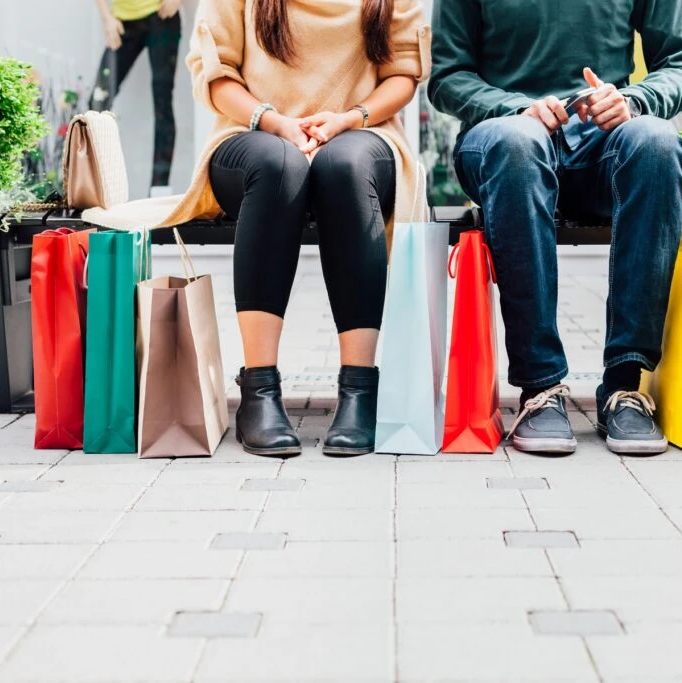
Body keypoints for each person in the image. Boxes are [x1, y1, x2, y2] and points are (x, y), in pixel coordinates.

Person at [83, 0, 431, 458]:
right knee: (279, 165)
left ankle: (360, 391)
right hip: (252, 136)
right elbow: (217, 73)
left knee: (342, 166)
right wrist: (276, 123)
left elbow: (403, 74)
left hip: (363, 133)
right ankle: (260, 391)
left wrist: (349, 119)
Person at [428, 0, 682, 457]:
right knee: (518, 143)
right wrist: (514, 107)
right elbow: (447, 77)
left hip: (603, 144)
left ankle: (625, 385)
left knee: (657, 143)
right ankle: (540, 388)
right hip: (504, 139)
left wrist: (633, 100)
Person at [90, 0, 183, 193]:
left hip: (161, 17)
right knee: (96, 105)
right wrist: (106, 18)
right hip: (122, 22)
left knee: (162, 105)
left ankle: (159, 190)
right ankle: (94, 188)